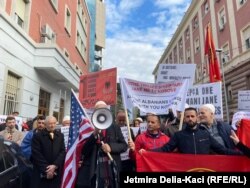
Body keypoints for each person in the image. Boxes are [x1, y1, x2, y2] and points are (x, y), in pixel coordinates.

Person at [140, 107, 241, 155]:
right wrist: (147, 152)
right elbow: (165, 149)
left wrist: (243, 153)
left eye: (192, 116)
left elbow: (222, 150)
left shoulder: (205, 134)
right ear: (184, 119)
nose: (190, 118)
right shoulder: (178, 135)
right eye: (187, 116)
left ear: (197, 118)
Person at [76, 101, 127, 188]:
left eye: (103, 109)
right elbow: (84, 151)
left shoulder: (115, 127)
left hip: (111, 167)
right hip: (95, 168)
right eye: (98, 110)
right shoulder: (88, 127)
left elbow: (124, 145)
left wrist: (111, 147)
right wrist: (94, 134)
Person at [30, 116, 66, 188]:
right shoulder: (37, 136)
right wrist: (47, 169)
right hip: (40, 171)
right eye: (50, 123)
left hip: (56, 171)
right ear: (45, 124)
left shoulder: (60, 136)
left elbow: (62, 151)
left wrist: (55, 165)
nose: (52, 125)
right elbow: (36, 153)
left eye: (54, 123)